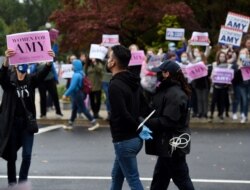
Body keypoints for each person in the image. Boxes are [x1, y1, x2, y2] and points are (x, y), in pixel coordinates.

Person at [0, 49, 54, 186]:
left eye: (25, 63)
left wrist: (48, 63)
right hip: (12, 124)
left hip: (27, 124)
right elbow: (2, 78)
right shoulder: (10, 81)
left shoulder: (31, 80)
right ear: (15, 65)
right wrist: (6, 61)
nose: (22, 65)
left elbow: (42, 75)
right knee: (11, 157)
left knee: (27, 155)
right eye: (20, 63)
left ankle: (22, 182)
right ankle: (12, 183)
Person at [145, 60, 195, 190]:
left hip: (172, 144)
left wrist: (145, 122)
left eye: (160, 72)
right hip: (168, 144)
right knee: (160, 179)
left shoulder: (175, 94)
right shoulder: (171, 90)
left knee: (181, 179)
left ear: (167, 74)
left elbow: (168, 121)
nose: (157, 75)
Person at [107, 45, 149, 190]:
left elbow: (122, 114)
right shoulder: (133, 80)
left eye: (109, 57)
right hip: (136, 140)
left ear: (113, 62)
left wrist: (138, 127)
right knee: (117, 176)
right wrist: (140, 127)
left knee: (133, 179)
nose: (107, 60)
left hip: (124, 140)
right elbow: (145, 107)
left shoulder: (115, 85)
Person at [62, 59, 100, 131]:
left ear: (76, 66)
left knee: (83, 109)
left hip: (77, 94)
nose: (72, 66)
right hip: (79, 93)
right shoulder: (81, 73)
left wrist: (65, 94)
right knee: (74, 109)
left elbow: (72, 87)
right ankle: (70, 124)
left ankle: (94, 123)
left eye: (73, 65)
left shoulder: (76, 75)